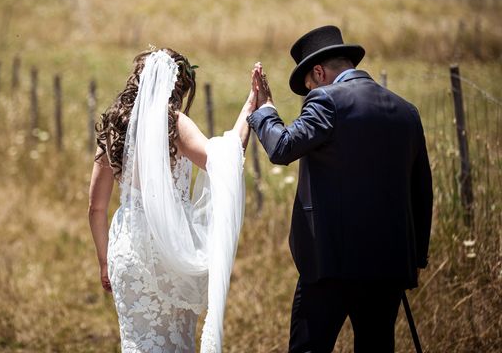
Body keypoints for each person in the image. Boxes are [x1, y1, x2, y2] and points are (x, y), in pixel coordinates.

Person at [248, 25, 433, 353]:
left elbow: (283, 147)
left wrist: (265, 109)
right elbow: (421, 188)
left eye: (307, 86)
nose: (309, 92)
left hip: (330, 263)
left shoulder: (326, 99)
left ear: (317, 72)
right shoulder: (407, 110)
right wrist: (415, 255)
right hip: (389, 266)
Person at [88, 47, 257, 353]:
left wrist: (103, 260)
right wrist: (249, 109)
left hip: (126, 248)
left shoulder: (114, 128)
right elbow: (220, 161)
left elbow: (96, 208)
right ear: (179, 86)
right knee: (174, 341)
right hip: (168, 245)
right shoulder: (174, 124)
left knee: (137, 341)